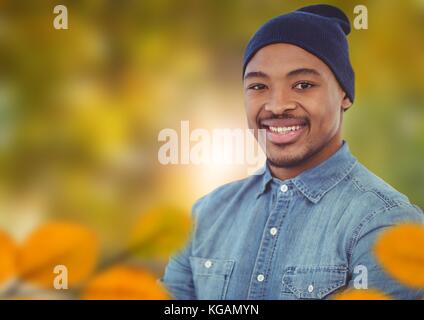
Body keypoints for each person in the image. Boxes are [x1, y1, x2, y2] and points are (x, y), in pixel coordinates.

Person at [161, 4, 424, 300]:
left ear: (345, 95)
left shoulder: (386, 224)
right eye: (259, 86)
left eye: (302, 84)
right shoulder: (204, 215)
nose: (276, 105)